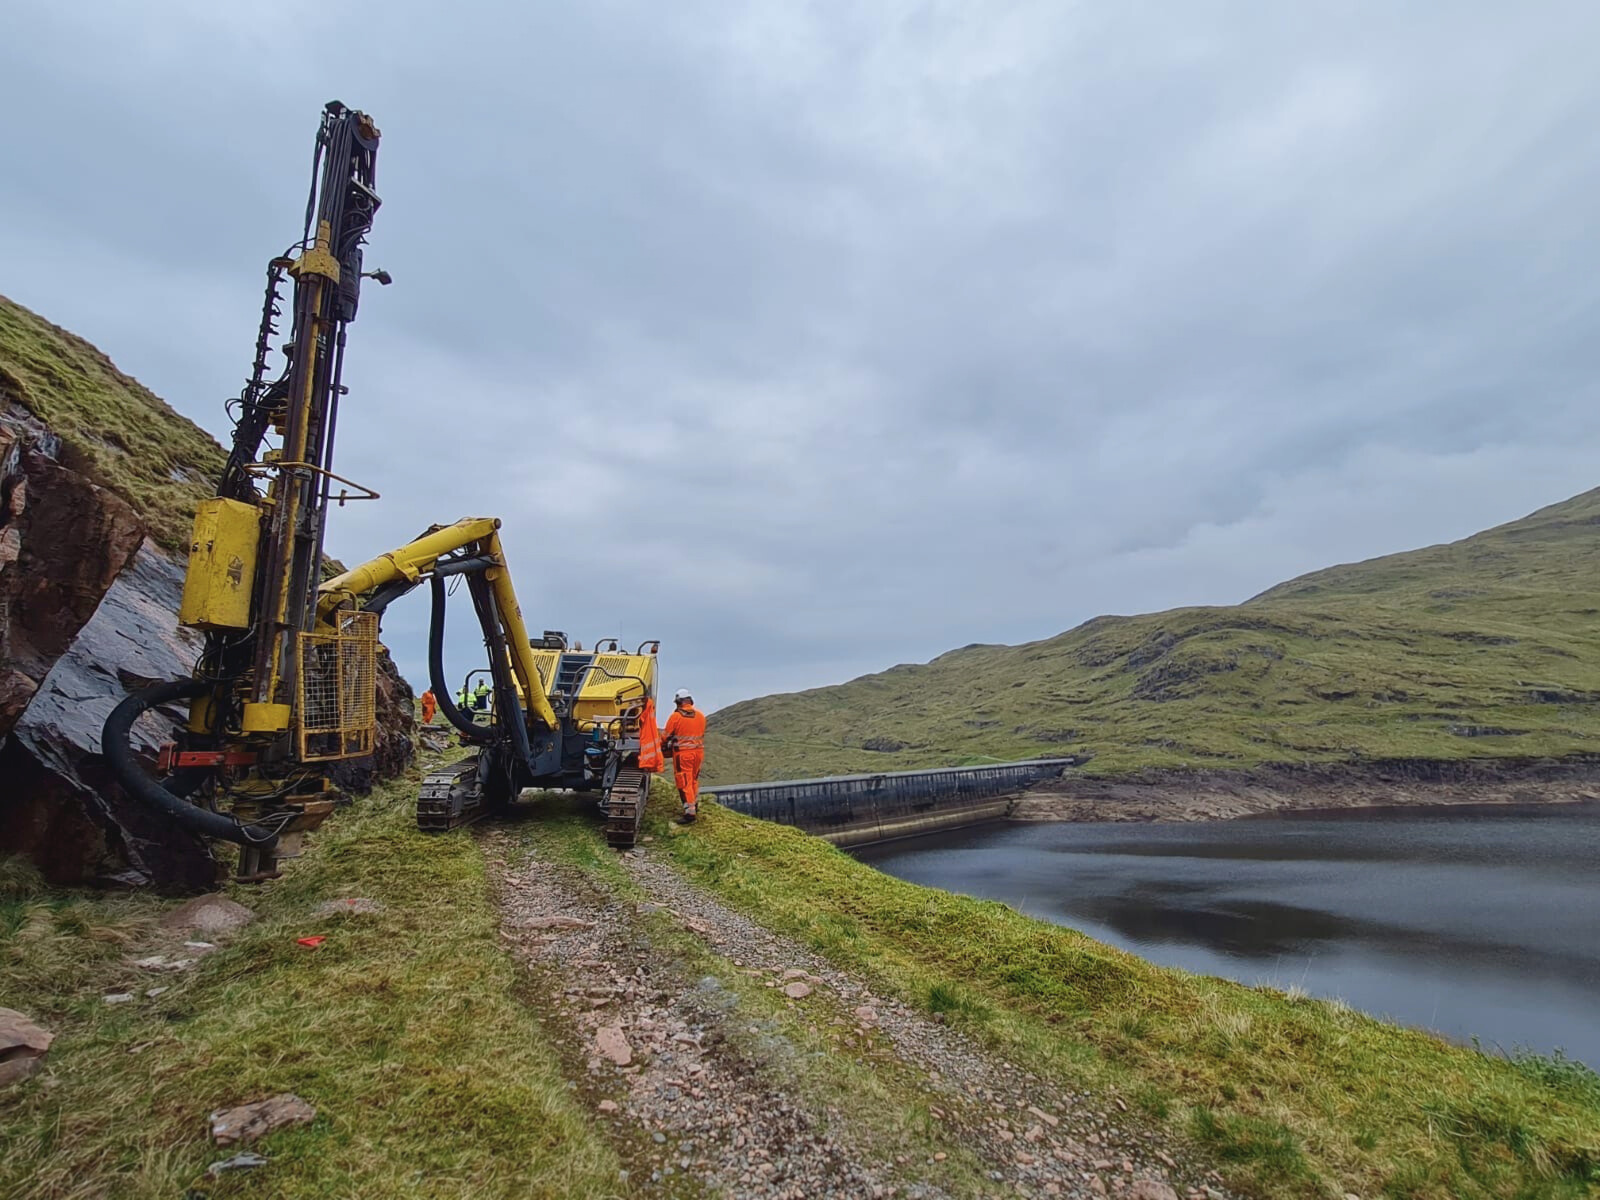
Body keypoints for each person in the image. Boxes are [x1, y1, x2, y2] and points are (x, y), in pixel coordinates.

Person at [662, 688, 706, 822]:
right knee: (693, 779)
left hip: (683, 754)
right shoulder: (701, 716)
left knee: (684, 781)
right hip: (698, 753)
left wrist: (662, 746)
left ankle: (690, 813)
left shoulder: (676, 717)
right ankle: (694, 804)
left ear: (678, 702)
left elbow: (666, 736)